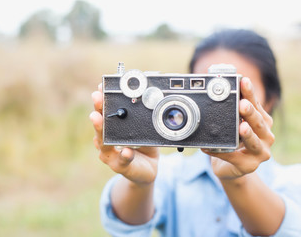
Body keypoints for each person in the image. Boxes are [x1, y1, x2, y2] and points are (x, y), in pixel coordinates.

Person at [89, 29, 301, 237]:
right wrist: (140, 182)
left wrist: (237, 180)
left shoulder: (292, 181)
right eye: (204, 88)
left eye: (232, 91)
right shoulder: (169, 174)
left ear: (269, 101)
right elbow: (125, 227)